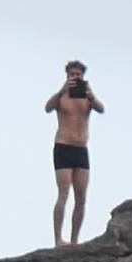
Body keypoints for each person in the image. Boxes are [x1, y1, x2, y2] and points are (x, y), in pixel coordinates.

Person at [42, 62, 103, 244]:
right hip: (63, 146)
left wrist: (92, 96)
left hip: (81, 149)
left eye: (78, 75)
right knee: (63, 194)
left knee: (81, 197)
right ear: (67, 75)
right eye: (72, 74)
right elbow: (47, 108)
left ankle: (74, 240)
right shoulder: (61, 96)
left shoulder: (87, 97)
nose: (75, 77)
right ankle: (58, 239)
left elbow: (101, 109)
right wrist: (62, 91)